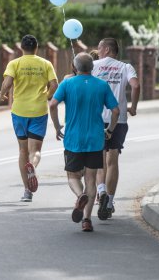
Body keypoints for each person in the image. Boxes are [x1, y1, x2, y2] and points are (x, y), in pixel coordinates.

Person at [49, 52, 119, 232]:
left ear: (75, 67)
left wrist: (57, 127)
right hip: (95, 139)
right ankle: (87, 220)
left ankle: (80, 196)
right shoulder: (102, 85)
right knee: (91, 179)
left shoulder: (67, 83)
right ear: (92, 67)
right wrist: (110, 130)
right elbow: (116, 111)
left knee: (72, 176)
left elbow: (52, 104)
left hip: (73, 139)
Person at [0, 35, 58, 202]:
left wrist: (1, 93)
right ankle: (33, 165)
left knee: (22, 150)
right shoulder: (46, 64)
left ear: (21, 48)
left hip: (19, 111)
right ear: (36, 48)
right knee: (36, 151)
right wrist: (46, 96)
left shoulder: (14, 63)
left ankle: (27, 192)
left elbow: (8, 83)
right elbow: (54, 85)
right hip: (38, 111)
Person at [92, 38, 140, 220]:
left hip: (97, 118)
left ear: (105, 49)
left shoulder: (94, 65)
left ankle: (101, 191)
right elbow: (136, 85)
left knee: (99, 159)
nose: (97, 50)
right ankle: (110, 202)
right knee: (112, 160)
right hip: (118, 119)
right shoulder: (125, 67)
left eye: (99, 47)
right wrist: (133, 107)